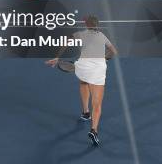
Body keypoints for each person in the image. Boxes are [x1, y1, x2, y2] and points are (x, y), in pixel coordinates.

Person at [46, 16, 118, 146]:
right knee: (97, 104)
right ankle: (94, 130)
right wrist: (105, 58)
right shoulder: (102, 36)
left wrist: (57, 57)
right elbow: (113, 51)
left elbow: (66, 42)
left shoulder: (80, 34)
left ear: (86, 25)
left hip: (83, 67)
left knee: (84, 81)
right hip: (97, 70)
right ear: (97, 25)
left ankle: (85, 112)